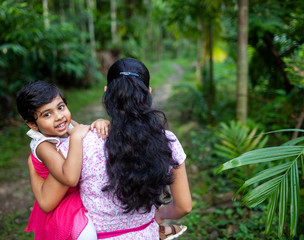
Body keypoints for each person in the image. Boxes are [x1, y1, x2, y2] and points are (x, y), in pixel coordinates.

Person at [28, 58, 192, 239]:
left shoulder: (80, 145)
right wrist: (159, 215)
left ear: (107, 93)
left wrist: (33, 166)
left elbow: (48, 201)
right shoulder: (167, 141)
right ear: (148, 93)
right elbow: (184, 206)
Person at [16, 80, 109, 240]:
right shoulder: (43, 145)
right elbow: (70, 178)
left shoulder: (68, 126)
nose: (59, 117)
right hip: (63, 205)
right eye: (47, 114)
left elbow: (84, 133)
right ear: (32, 124)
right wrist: (76, 138)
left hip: (77, 194)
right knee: (88, 236)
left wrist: (100, 123)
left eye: (60, 107)